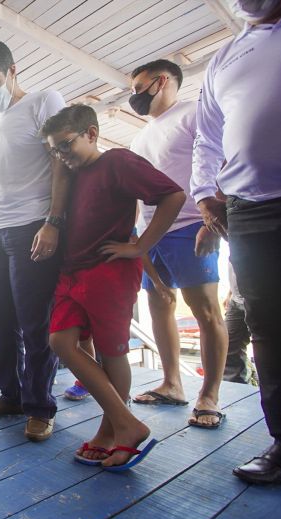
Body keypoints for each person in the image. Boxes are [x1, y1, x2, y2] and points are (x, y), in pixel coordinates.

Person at [42, 104, 185, 469]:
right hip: (72, 272)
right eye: (54, 149)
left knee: (112, 352)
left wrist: (140, 246)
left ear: (91, 133)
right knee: (60, 341)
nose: (61, 155)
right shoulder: (71, 174)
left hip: (109, 272)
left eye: (66, 145)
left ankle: (112, 433)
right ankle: (126, 424)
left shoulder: (118, 162)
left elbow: (173, 195)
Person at [190, 0, 281, 484]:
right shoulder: (225, 57)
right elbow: (208, 138)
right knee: (270, 329)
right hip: (249, 209)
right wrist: (205, 197)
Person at [0, 41, 68, 441]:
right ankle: (11, 395)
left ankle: (41, 406)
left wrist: (54, 221)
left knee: (34, 323)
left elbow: (61, 161)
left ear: (11, 71)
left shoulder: (45, 101)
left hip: (33, 226)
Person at [127, 59, 229, 429]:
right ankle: (172, 383)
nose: (134, 95)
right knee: (159, 303)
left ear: (162, 81)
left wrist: (213, 220)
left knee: (205, 311)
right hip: (150, 232)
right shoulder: (139, 137)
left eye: (139, 87)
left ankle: (209, 395)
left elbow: (217, 160)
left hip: (189, 225)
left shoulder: (193, 114)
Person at [223, 263, 252, 384]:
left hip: (261, 299)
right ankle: (235, 389)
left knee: (269, 351)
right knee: (228, 346)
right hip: (236, 300)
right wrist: (230, 292)